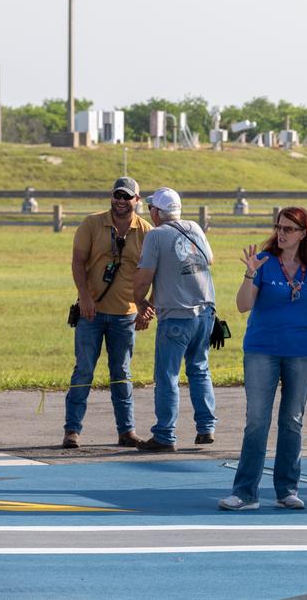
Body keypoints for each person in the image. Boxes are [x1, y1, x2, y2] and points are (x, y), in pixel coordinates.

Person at [218, 207, 307, 511]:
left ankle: (287, 489)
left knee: (292, 421)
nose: (281, 233)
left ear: (304, 233)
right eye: (279, 227)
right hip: (262, 349)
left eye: (289, 229)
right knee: (256, 421)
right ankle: (245, 493)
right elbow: (242, 305)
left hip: (302, 352)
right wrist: (250, 272)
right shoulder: (263, 262)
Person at [63, 176, 153, 449]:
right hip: (91, 314)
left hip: (125, 315)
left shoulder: (147, 231)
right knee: (84, 371)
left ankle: (126, 431)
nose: (121, 201)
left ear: (138, 200)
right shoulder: (92, 224)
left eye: (127, 197)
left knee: (121, 373)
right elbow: (78, 263)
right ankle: (72, 430)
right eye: (117, 195)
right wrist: (84, 297)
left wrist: (146, 307)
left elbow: (155, 273)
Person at [132, 187, 217, 452]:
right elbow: (210, 260)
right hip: (205, 311)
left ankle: (165, 435)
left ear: (157, 212)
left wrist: (140, 300)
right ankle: (206, 427)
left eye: (151, 209)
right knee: (199, 368)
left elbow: (144, 276)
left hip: (176, 315)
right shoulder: (194, 227)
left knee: (167, 374)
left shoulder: (156, 235)